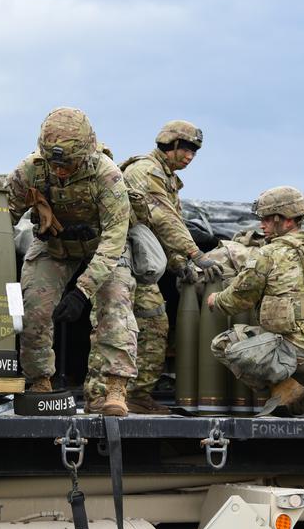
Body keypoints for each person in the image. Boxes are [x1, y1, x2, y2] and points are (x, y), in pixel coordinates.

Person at [83, 120, 223, 414]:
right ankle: (98, 394)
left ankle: (137, 394)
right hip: (116, 260)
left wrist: (179, 262)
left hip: (141, 265)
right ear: (169, 145)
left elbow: (159, 228)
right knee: (112, 325)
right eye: (185, 149)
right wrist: (195, 254)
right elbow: (163, 219)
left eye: (194, 152)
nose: (189, 156)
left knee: (155, 325)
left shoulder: (167, 178)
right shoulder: (146, 172)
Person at [5, 107, 137, 416]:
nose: (61, 172)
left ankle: (114, 387)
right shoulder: (31, 170)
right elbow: (3, 217)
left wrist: (82, 291)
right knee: (34, 308)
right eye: (56, 164)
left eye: (70, 165)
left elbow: (114, 241)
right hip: (53, 246)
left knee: (116, 306)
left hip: (101, 250)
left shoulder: (107, 176)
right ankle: (39, 381)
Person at [207, 186, 304, 417]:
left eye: (266, 219)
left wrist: (216, 300)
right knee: (289, 344)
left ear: (284, 220)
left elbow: (238, 299)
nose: (261, 225)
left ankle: (285, 389)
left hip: (295, 354)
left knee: (223, 344)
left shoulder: (269, 253)